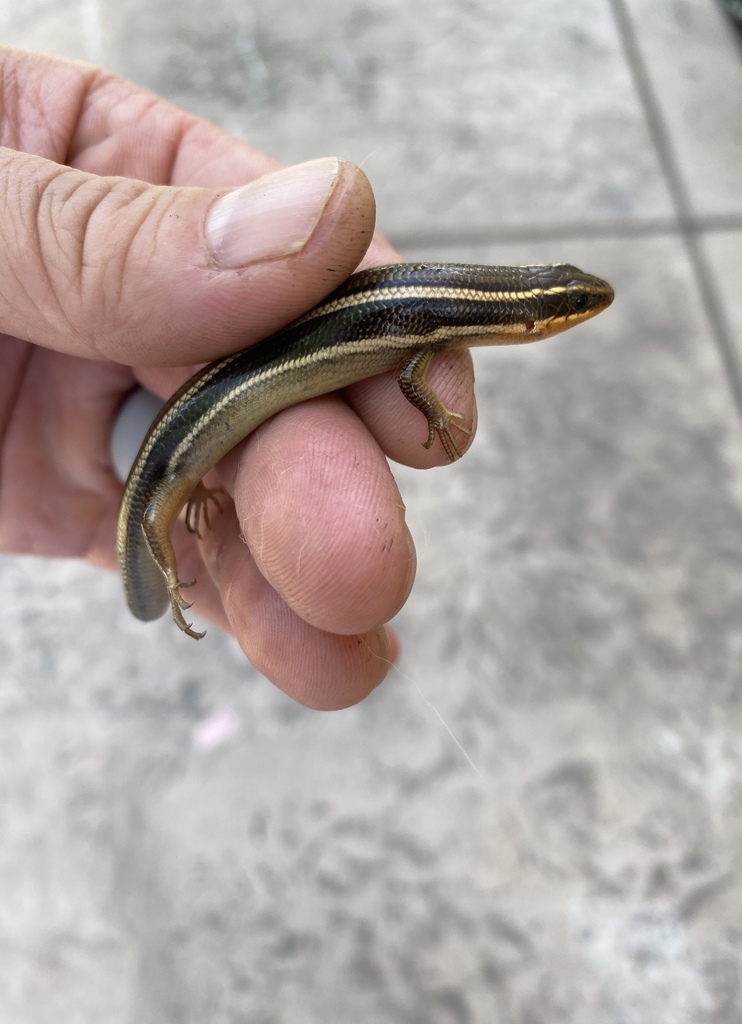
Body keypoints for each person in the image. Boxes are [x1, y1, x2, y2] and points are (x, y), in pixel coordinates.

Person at [0, 47, 477, 709]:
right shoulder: (438, 321)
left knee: (300, 534)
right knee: (157, 505)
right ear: (535, 322)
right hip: (187, 437)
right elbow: (411, 382)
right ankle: (159, 565)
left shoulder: (439, 321)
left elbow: (413, 372)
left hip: (221, 403)